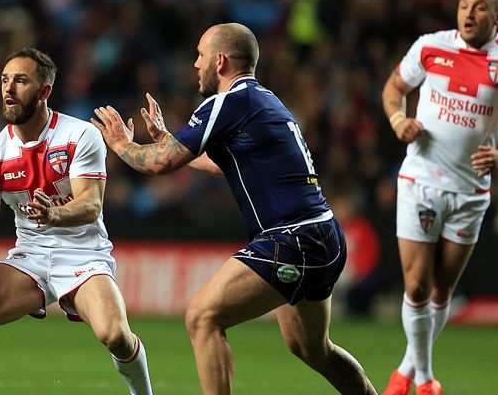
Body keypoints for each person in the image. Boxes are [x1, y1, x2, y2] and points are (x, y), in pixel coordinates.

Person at [92, 23, 376, 395]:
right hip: (322, 234)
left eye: (200, 55)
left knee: (202, 316)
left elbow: (159, 165)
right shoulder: (262, 100)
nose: (195, 64)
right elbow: (219, 161)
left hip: (292, 238)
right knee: (311, 347)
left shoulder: (228, 102)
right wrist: (172, 143)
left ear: (220, 60)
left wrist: (120, 144)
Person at [0, 48, 154, 395]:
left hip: (83, 254)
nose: (8, 89)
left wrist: (54, 214)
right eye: (5, 80)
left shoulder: (79, 136)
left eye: (20, 81)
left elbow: (91, 204)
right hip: (32, 256)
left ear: (44, 91)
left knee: (115, 336)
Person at [381, 0, 498, 395]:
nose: (468, 14)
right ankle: (425, 381)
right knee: (416, 286)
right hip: (420, 181)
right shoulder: (430, 46)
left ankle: (407, 369)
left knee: (442, 290)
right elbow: (394, 89)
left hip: (470, 193)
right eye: (464, 5)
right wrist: (397, 120)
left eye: (479, 8)